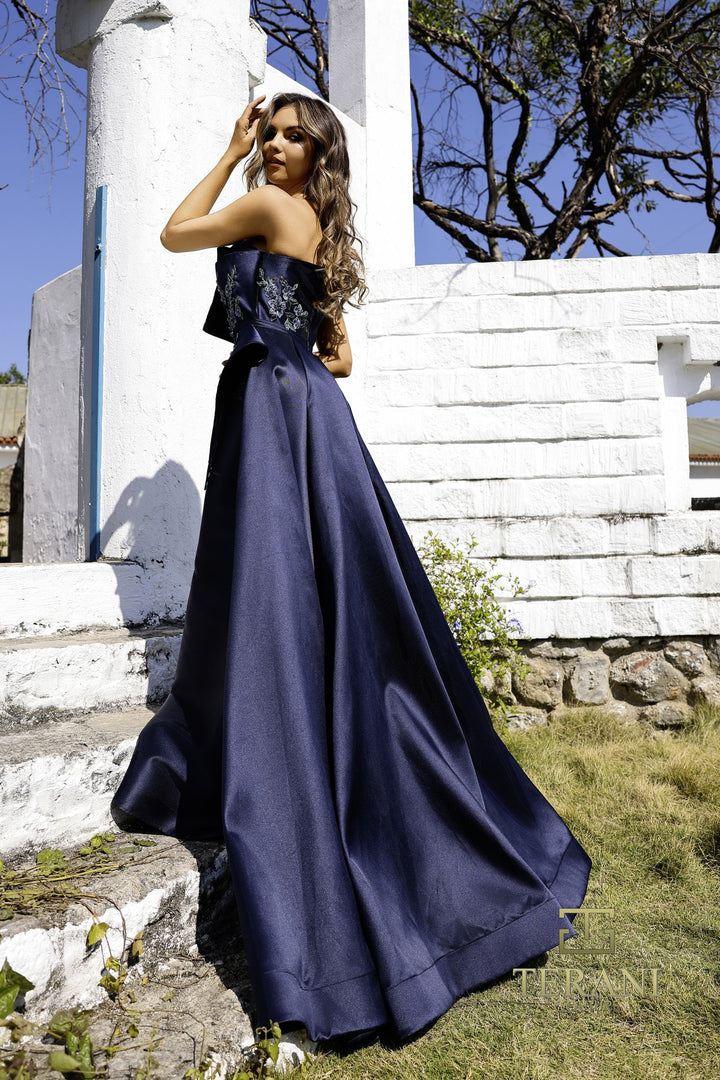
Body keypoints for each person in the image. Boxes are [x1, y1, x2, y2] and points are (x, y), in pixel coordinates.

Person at [111, 91, 592, 1051]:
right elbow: (339, 358)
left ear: (316, 150)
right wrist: (290, 350)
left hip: (270, 407)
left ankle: (288, 764)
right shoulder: (321, 228)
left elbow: (173, 233)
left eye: (293, 136)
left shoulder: (263, 203)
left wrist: (228, 150)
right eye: (270, 132)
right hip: (307, 412)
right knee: (321, 595)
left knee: (272, 593)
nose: (275, 145)